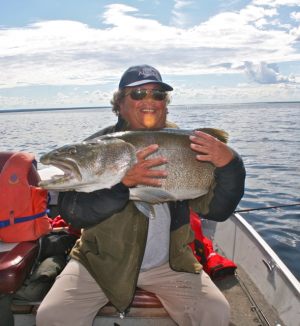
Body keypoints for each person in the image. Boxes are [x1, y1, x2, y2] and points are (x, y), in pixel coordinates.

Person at [36, 64, 246, 326]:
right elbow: (74, 214)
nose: (149, 100)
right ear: (120, 104)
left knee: (215, 312)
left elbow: (218, 211)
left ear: (165, 104)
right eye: (137, 94)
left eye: (157, 94)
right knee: (51, 316)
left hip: (171, 264)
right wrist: (122, 185)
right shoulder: (98, 145)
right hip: (99, 263)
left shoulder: (194, 146)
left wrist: (232, 163)